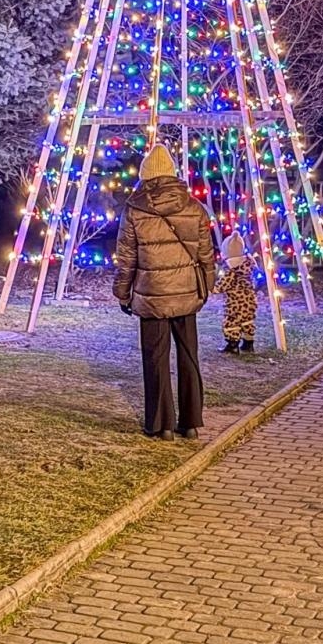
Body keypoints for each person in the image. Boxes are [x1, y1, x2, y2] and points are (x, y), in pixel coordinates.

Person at [112, 144, 215, 441]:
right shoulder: (194, 207)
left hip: (152, 294)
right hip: (186, 293)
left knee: (155, 357)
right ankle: (191, 422)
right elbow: (207, 253)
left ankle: (161, 424)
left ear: (145, 175)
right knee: (188, 356)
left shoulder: (135, 210)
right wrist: (206, 286)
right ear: (171, 174)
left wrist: (123, 292)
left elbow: (127, 258)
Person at [216, 233, 257, 353]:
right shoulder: (248, 264)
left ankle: (233, 344)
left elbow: (225, 283)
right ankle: (248, 343)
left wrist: (215, 289)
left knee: (232, 320)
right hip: (249, 299)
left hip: (235, 301)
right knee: (247, 319)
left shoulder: (231, 268)